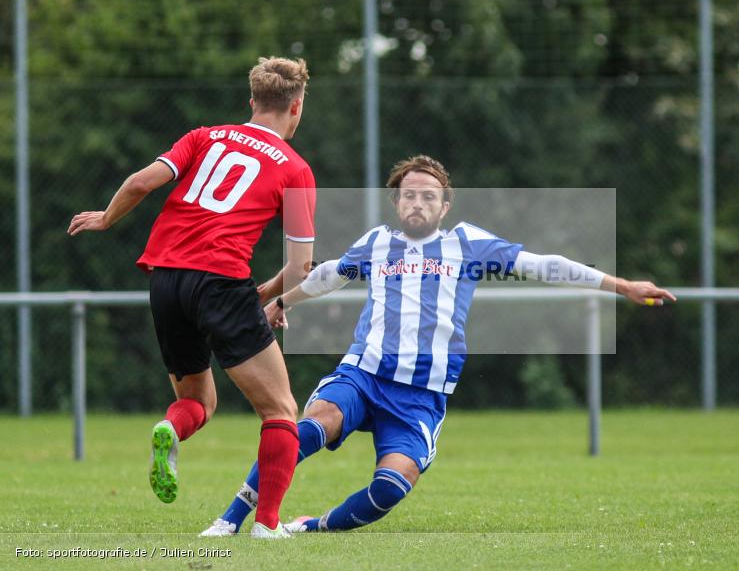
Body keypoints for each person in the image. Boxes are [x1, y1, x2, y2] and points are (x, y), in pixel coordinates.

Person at [199, 154, 675, 536]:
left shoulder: (468, 245)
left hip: (420, 397)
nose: (418, 204)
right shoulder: (377, 243)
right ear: (396, 203)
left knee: (390, 488)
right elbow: (328, 275)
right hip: (363, 375)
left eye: (429, 197)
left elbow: (544, 264)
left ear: (445, 206)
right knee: (311, 426)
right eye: (409, 196)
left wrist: (622, 285)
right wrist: (281, 299)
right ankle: (230, 520)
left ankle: (309, 528)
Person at [67, 57, 317, 539]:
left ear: (251, 102)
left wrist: (105, 219)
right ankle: (267, 525)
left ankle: (171, 430)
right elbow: (300, 266)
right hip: (222, 282)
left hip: (165, 279)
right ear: (296, 107)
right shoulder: (296, 168)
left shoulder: (205, 137)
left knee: (198, 401)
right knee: (281, 410)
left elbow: (141, 182)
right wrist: (261, 296)